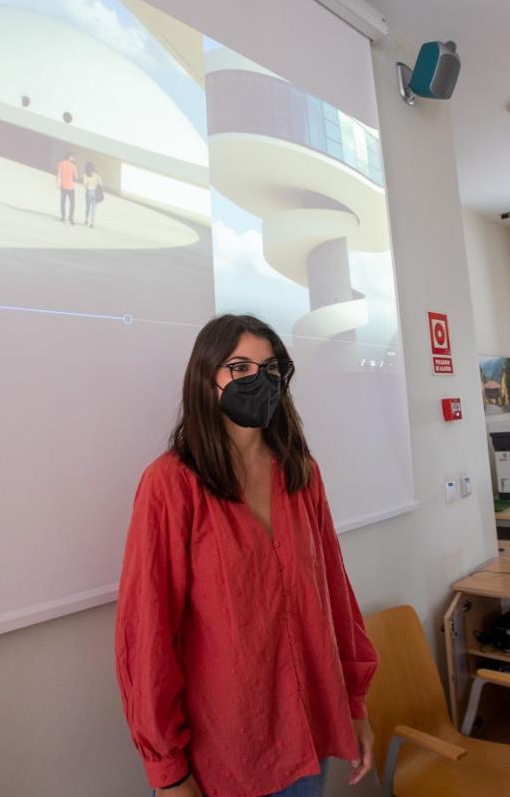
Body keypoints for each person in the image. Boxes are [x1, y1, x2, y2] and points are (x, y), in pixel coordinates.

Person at [115, 314, 378, 797]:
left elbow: (334, 596)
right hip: (226, 755)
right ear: (206, 376)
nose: (258, 380)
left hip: (309, 736)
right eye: (239, 368)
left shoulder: (301, 473)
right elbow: (148, 630)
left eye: (271, 368)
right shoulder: (171, 484)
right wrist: (168, 771)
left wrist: (353, 702)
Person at [57, 153, 77, 224]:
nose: (73, 158)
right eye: (72, 157)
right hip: (71, 187)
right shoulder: (73, 166)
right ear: (69, 157)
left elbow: (59, 174)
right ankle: (71, 217)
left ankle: (63, 216)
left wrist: (58, 183)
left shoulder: (61, 163)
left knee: (63, 201)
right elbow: (76, 177)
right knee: (72, 203)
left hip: (63, 185)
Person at [82, 160, 103, 227]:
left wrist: (88, 185)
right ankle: (92, 223)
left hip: (88, 192)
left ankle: (86, 220)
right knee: (94, 208)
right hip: (95, 192)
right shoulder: (97, 176)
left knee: (88, 207)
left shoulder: (85, 175)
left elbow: (84, 184)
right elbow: (100, 184)